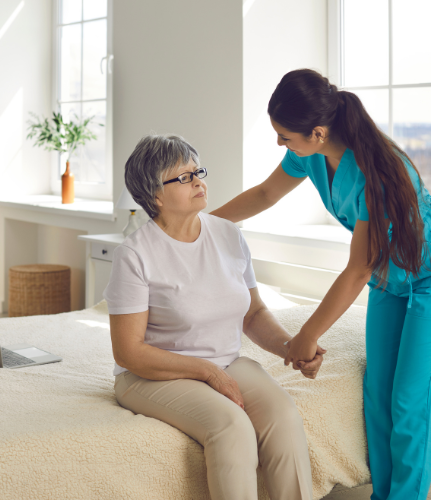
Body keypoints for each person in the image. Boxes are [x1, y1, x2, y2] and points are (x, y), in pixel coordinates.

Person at [211, 68, 431, 500]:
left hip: (425, 280)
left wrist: (307, 335)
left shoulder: (381, 171)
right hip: (390, 283)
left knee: (407, 403)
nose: (280, 143)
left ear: (317, 131)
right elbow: (264, 195)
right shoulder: (311, 153)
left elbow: (357, 270)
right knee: (378, 398)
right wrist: (201, 225)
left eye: (285, 136)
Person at [104, 134, 326, 500]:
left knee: (283, 415)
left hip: (226, 362)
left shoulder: (228, 235)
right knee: (232, 426)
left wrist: (291, 347)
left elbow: (253, 314)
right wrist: (207, 372)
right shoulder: (135, 254)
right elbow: (128, 352)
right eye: (184, 177)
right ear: (154, 195)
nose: (199, 182)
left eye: (198, 172)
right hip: (151, 375)